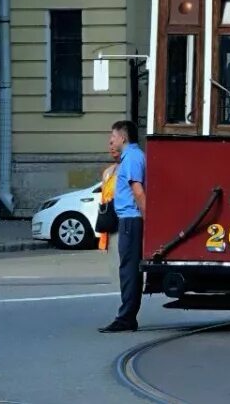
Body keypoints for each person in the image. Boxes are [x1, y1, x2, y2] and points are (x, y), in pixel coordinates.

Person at [99, 119, 146, 333]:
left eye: (114, 136)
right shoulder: (132, 157)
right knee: (128, 269)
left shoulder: (132, 158)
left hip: (131, 219)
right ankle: (127, 315)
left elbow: (138, 191)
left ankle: (126, 318)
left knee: (128, 270)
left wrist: (147, 219)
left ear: (123, 137)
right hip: (130, 219)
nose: (111, 140)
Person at [97, 144, 121, 252]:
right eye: (110, 144)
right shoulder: (107, 172)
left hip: (120, 220)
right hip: (109, 220)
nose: (111, 147)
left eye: (114, 143)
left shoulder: (126, 169)